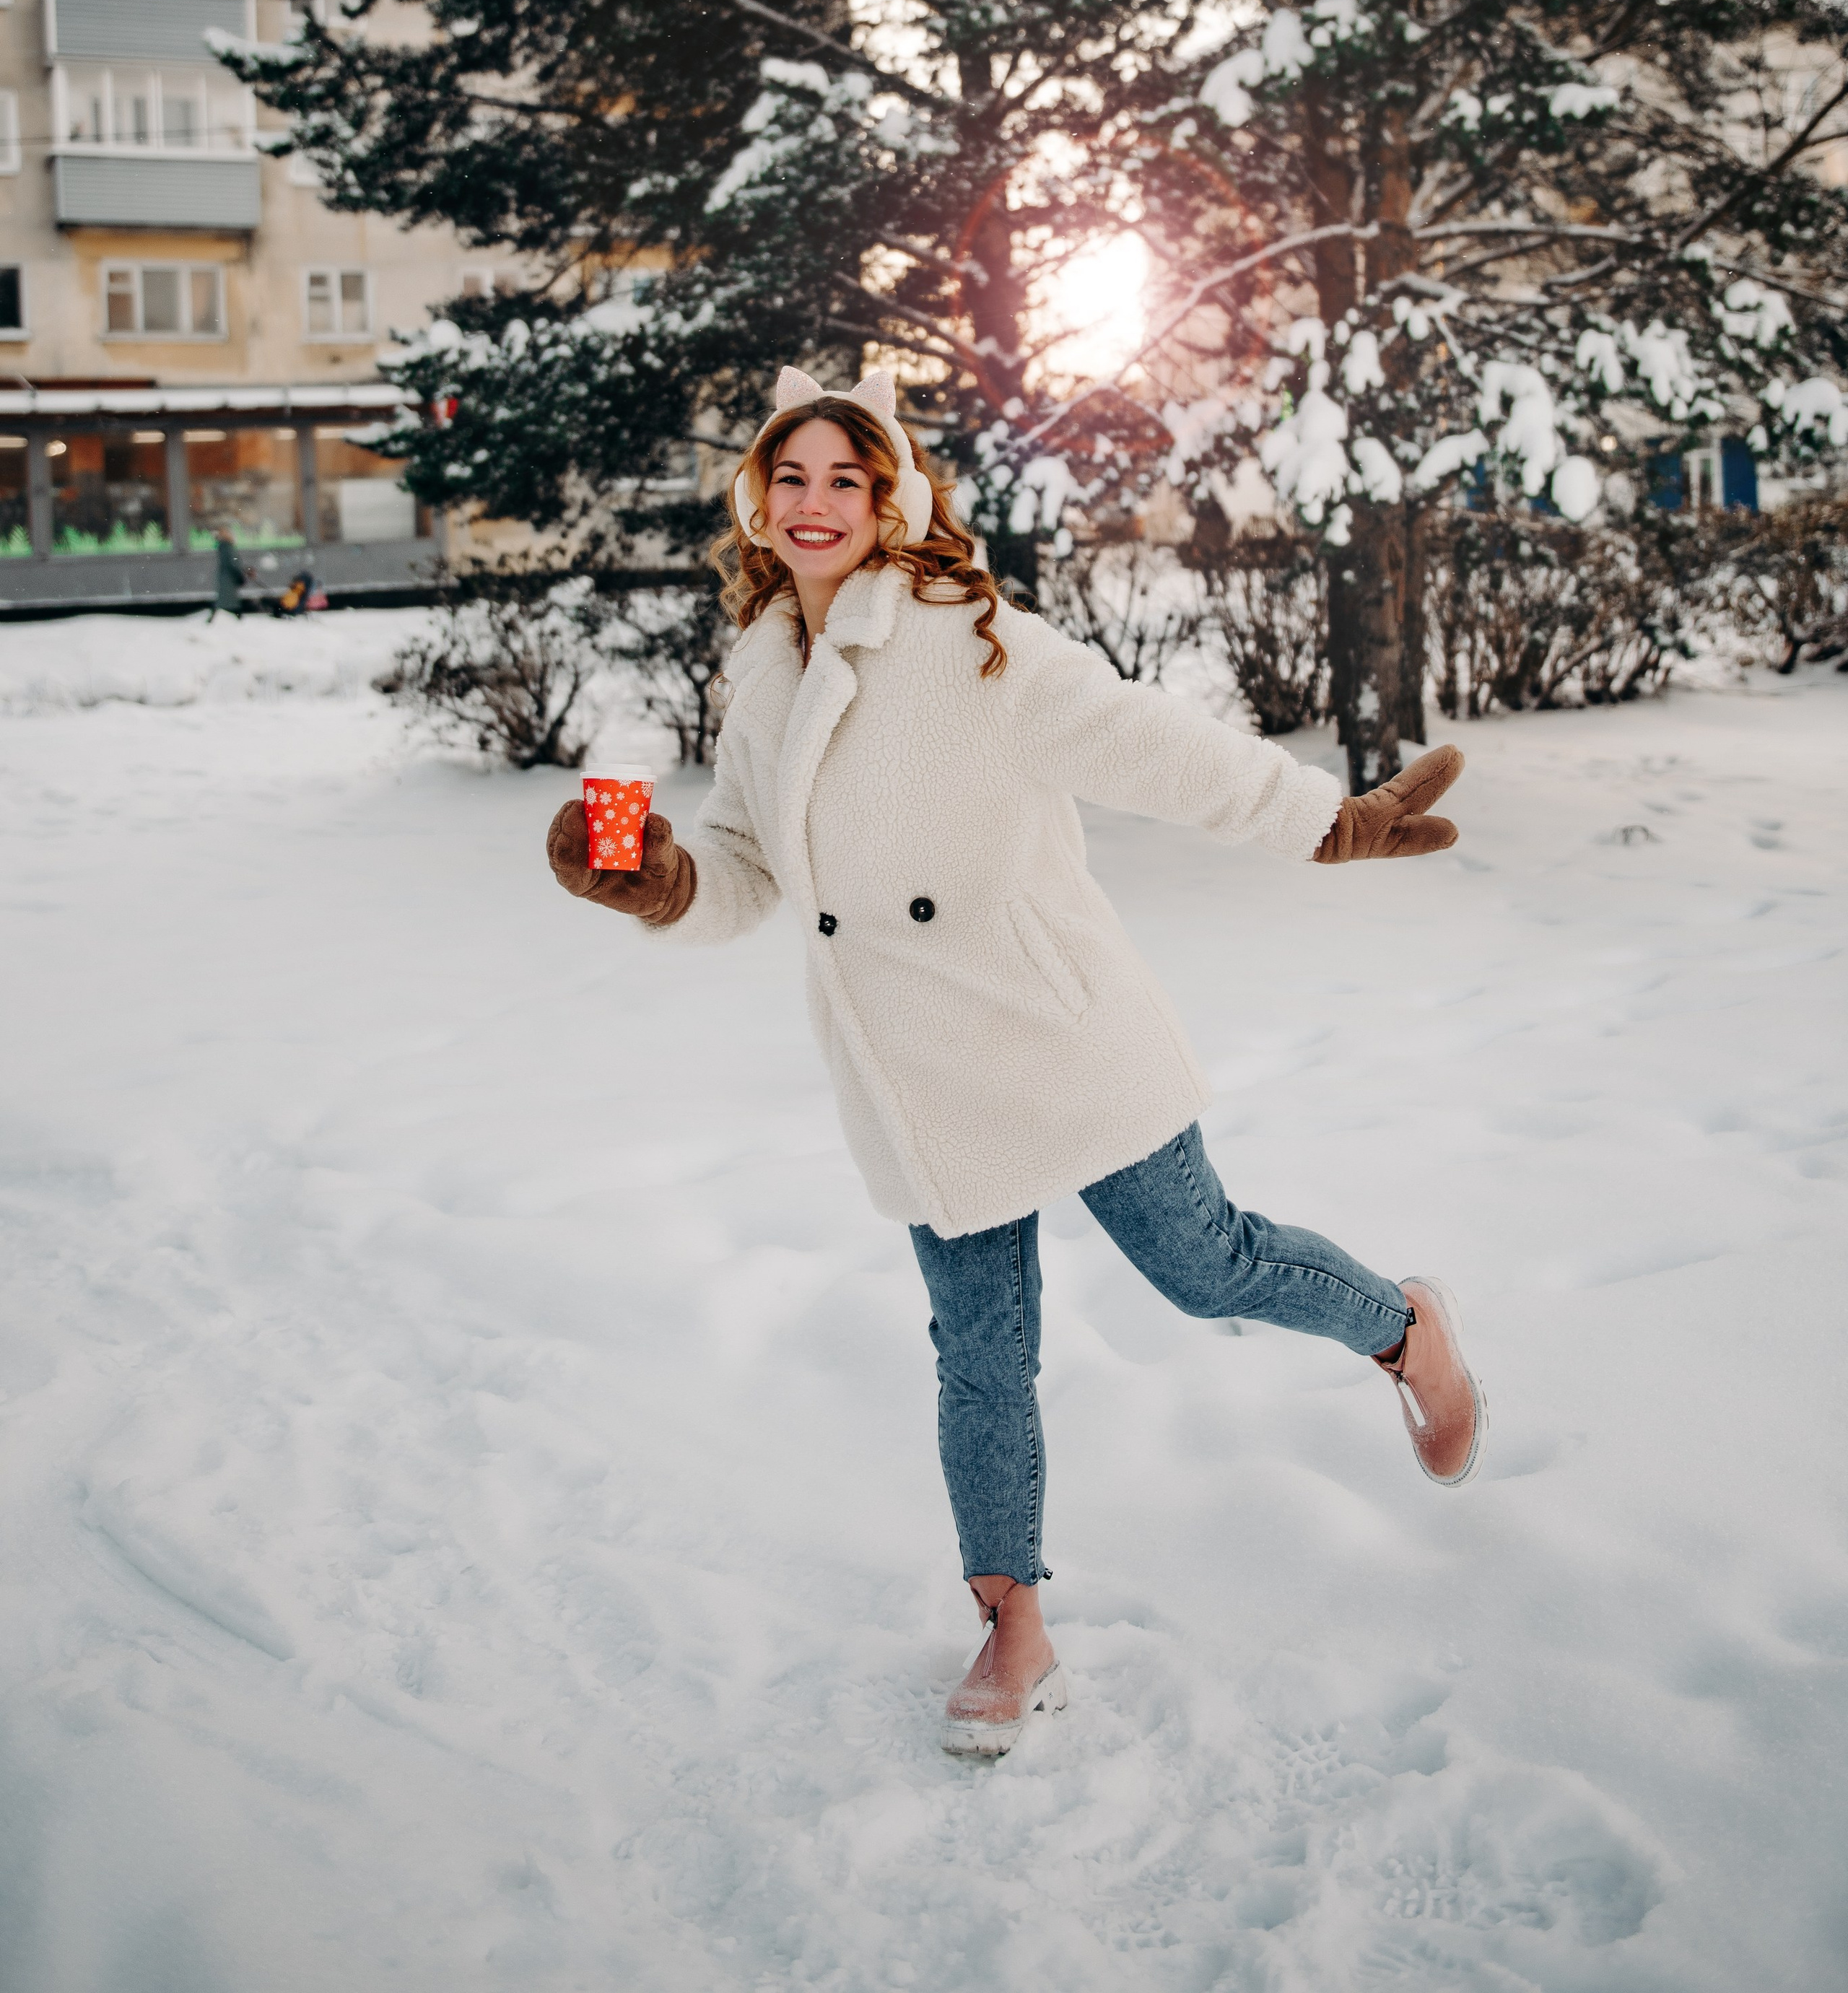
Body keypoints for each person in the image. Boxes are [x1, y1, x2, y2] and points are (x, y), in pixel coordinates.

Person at [546, 368, 1484, 1758]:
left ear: (892, 497)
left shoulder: (965, 636)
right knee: (982, 1358)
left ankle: (1405, 1327)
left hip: (1054, 1030)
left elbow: (1146, 745)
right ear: (758, 498)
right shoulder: (760, 664)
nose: (815, 506)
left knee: (1205, 1264)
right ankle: (1012, 1621)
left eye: (844, 482)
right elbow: (752, 868)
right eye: (790, 479)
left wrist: (1322, 821)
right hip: (913, 1071)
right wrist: (664, 883)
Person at [209, 531, 247, 622]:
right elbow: (233, 563)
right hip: (230, 578)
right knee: (229, 600)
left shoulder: (223, 547)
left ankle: (215, 618)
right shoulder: (229, 548)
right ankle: (238, 617)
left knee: (225, 600)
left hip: (226, 578)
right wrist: (239, 574)